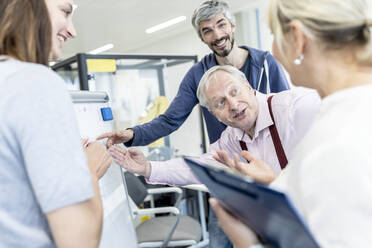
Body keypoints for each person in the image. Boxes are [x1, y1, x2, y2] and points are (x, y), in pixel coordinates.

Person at [98, 1, 289, 246]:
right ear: (202, 37)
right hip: (225, 176)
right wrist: (132, 134)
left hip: (268, 178)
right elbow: (170, 119)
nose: (217, 35)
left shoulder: (265, 64)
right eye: (207, 30)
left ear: (232, 25)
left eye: (221, 25)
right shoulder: (198, 75)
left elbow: (285, 113)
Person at [209, 0, 372, 247]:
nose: (273, 50)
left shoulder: (338, 141)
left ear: (296, 38)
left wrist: (248, 244)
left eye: (274, 35)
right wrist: (275, 181)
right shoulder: (345, 114)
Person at [0, 0, 112, 247]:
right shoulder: (34, 83)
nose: (73, 31)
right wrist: (89, 169)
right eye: (65, 11)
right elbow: (78, 240)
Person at [108, 64, 319, 189]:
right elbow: (200, 167)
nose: (234, 106)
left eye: (234, 92)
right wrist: (147, 168)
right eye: (220, 103)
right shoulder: (232, 137)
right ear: (213, 114)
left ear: (249, 87)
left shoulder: (296, 108)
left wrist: (275, 182)